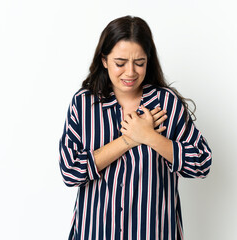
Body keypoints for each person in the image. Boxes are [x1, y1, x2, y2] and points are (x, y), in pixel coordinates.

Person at [58, 15, 212, 240]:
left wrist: (150, 136)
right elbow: (70, 171)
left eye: (139, 63)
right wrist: (129, 139)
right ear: (104, 60)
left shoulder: (166, 104)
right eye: (120, 63)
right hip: (94, 232)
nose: (130, 72)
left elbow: (201, 162)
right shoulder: (83, 104)